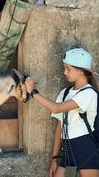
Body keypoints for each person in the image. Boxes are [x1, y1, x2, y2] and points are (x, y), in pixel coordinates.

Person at [25, 48, 99, 177]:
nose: (64, 72)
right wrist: (54, 158)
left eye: (68, 69)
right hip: (68, 150)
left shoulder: (89, 93)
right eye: (64, 68)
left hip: (87, 149)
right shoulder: (64, 93)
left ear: (81, 70)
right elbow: (59, 127)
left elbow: (56, 108)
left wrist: (33, 92)